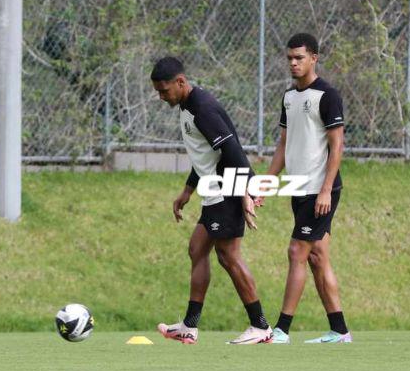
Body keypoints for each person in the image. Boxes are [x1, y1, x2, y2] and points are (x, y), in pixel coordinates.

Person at [150, 57, 272, 345]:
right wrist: (188, 191)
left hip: (227, 189)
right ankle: (189, 326)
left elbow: (233, 151)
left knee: (229, 257)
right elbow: (206, 154)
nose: (161, 96)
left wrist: (244, 192)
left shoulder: (202, 109)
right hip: (214, 190)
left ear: (181, 82)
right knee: (197, 249)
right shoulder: (187, 106)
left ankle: (261, 326)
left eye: (164, 90)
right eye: (158, 91)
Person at [262, 33, 350, 344]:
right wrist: (266, 182)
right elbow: (283, 145)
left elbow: (337, 146)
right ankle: (339, 331)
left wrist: (326, 189)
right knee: (317, 257)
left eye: (299, 58)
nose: (293, 63)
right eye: (289, 58)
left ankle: (281, 329)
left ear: (314, 58)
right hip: (298, 188)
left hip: (320, 190)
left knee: (297, 250)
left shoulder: (327, 95)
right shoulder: (288, 97)